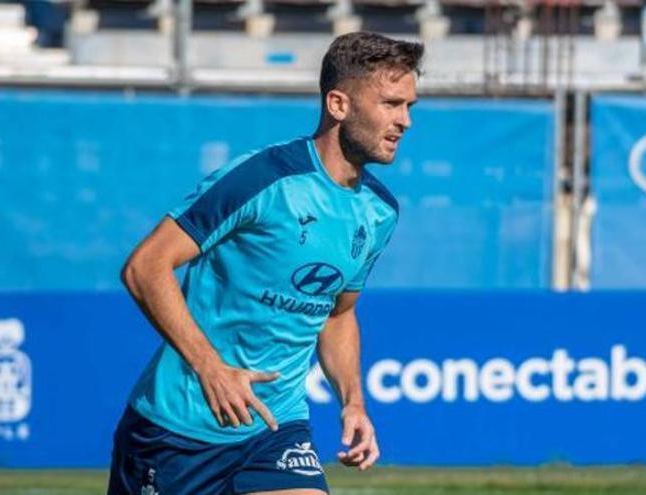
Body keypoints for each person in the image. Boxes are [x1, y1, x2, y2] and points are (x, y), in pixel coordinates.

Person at [106, 32, 422, 495]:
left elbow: (337, 312)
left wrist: (353, 403)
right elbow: (145, 266)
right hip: (178, 432)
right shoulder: (263, 178)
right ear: (338, 104)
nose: (405, 121)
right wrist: (211, 369)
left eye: (410, 106)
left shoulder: (379, 211)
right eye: (391, 104)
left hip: (275, 429)